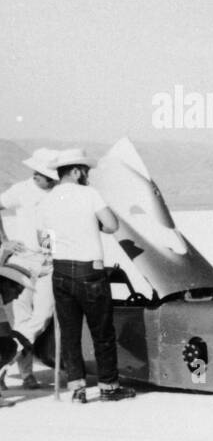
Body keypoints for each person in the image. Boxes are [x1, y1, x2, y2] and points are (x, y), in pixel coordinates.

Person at [34, 148, 134, 402]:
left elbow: (45, 243)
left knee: (69, 334)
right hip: (89, 271)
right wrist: (94, 225)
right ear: (77, 171)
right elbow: (112, 225)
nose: (87, 176)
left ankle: (77, 389)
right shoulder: (89, 194)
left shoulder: (45, 200)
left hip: (61, 271)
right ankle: (109, 388)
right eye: (86, 171)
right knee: (102, 332)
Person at [0, 148, 59, 388]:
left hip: (47, 262)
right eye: (35, 170)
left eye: (41, 172)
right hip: (20, 262)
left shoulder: (59, 194)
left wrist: (52, 252)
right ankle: (25, 374)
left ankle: (2, 363)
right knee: (19, 319)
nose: (36, 175)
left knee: (43, 315)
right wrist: (3, 240)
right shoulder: (21, 190)